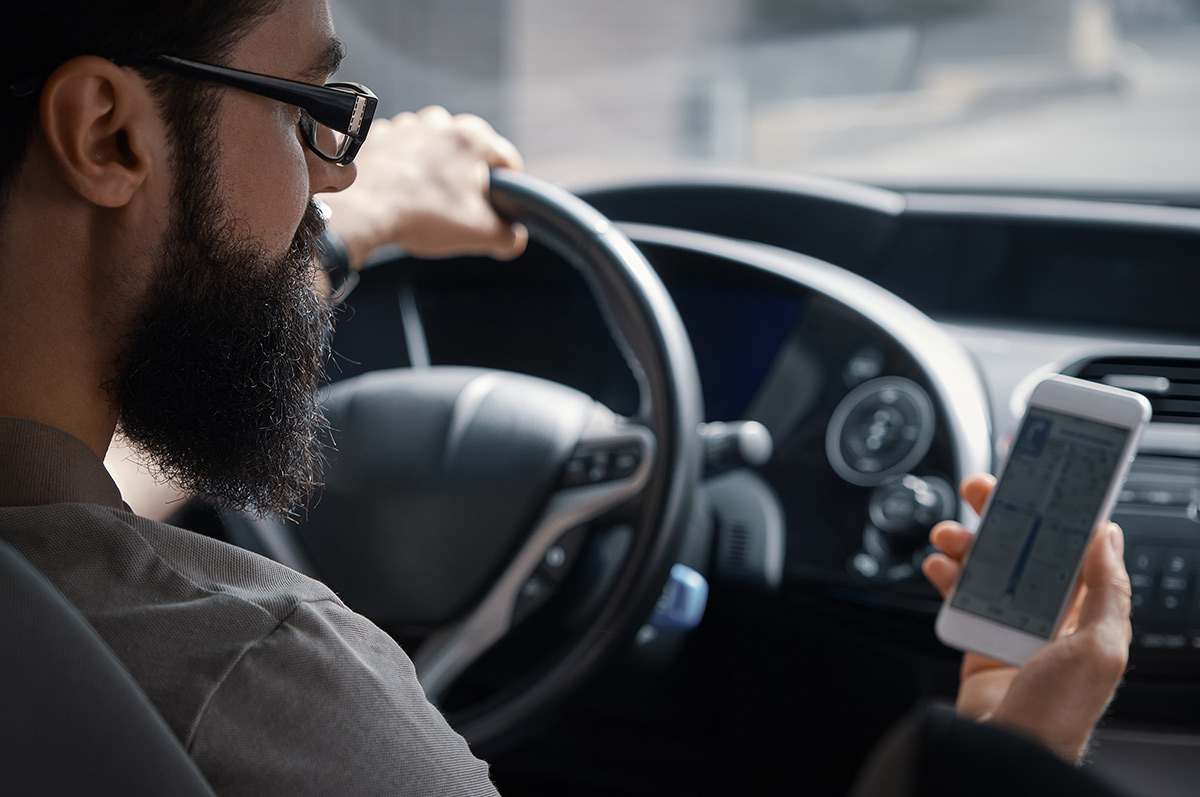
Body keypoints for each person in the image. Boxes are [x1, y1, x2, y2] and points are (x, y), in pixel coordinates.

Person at [0, 1, 1134, 795]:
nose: (336, 172)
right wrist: (1004, 751)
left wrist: (362, 225)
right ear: (107, 133)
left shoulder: (57, 591)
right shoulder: (250, 671)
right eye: (308, 113)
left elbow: (81, 518)